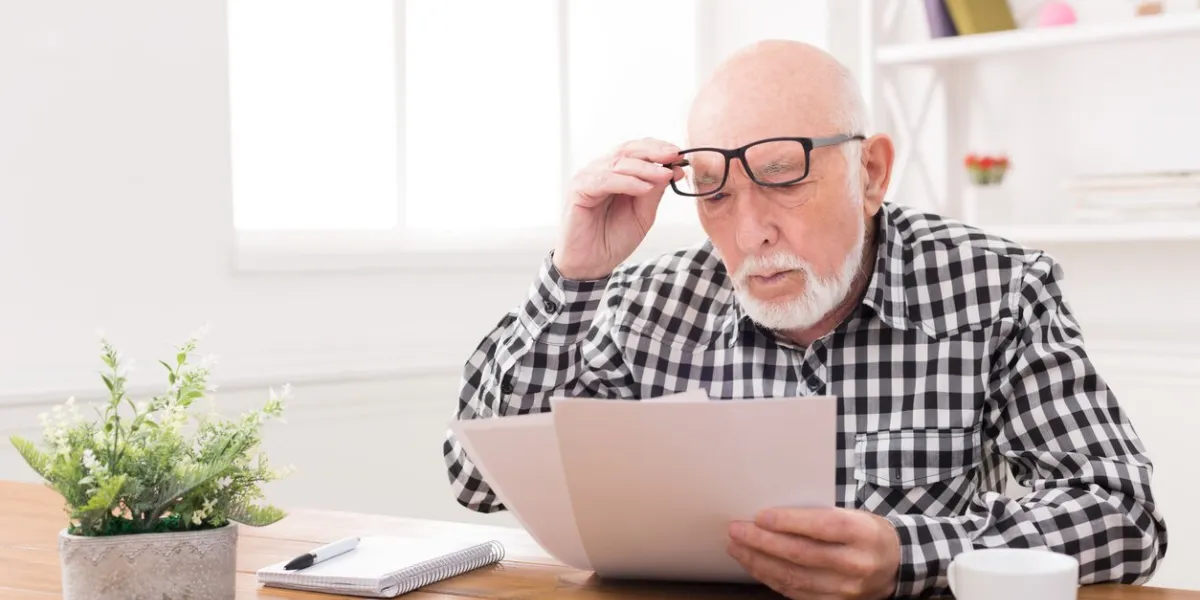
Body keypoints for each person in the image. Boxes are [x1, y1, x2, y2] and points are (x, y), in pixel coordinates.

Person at [442, 39, 1167, 599]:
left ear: (871, 174)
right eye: (714, 193)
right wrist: (576, 276)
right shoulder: (644, 304)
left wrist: (909, 556)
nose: (751, 231)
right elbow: (476, 479)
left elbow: (1123, 514)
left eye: (784, 176)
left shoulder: (996, 288)